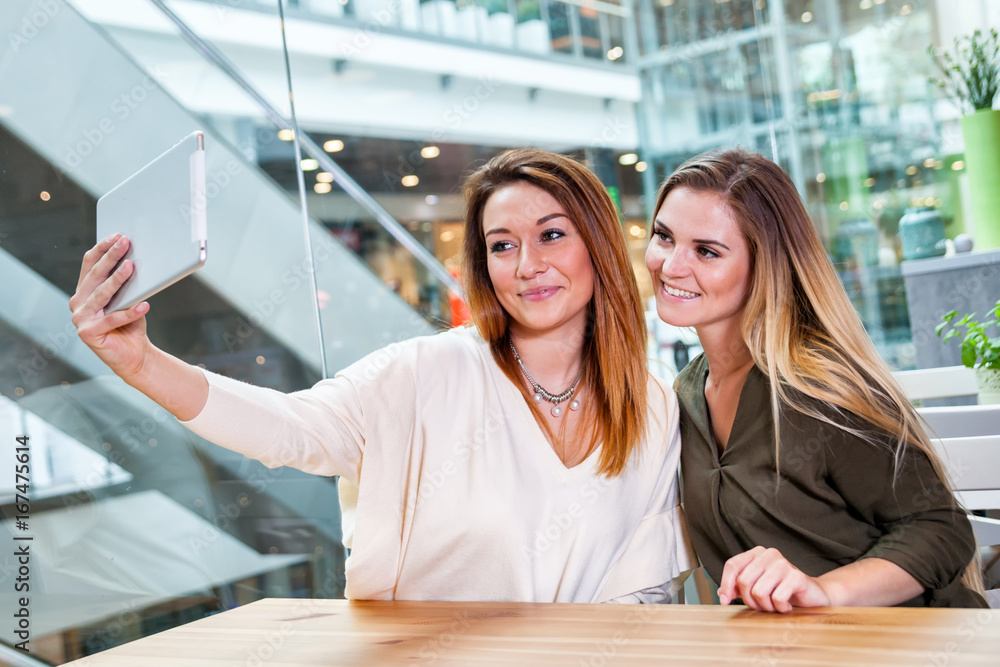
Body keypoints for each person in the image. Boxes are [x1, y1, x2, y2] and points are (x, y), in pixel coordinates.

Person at [71, 148, 694, 603]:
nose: (527, 265)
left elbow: (648, 591)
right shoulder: (425, 373)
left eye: (551, 235)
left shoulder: (654, 405)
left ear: (599, 247)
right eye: (502, 245)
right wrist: (142, 364)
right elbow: (292, 429)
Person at [644, 147, 987, 611]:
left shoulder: (817, 387)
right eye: (664, 237)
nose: (671, 266)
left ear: (762, 265)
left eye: (707, 251)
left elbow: (942, 530)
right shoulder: (682, 396)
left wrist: (824, 591)